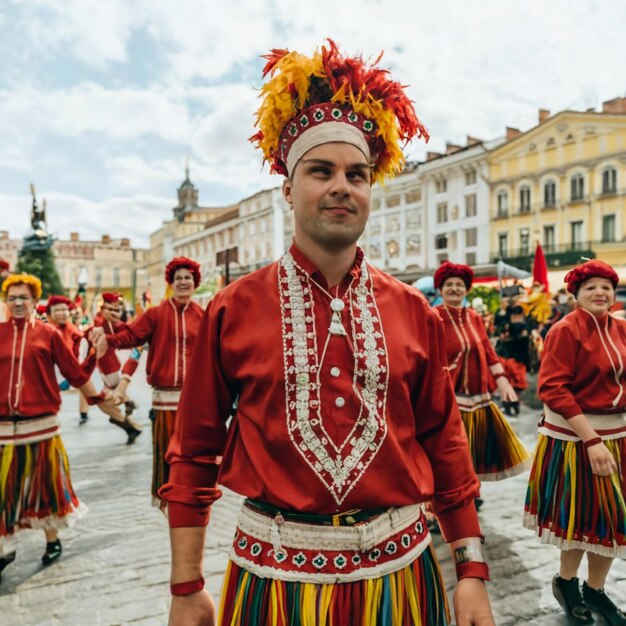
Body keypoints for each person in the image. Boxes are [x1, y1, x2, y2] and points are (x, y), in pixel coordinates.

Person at [160, 41, 495, 626]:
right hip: (274, 580)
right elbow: (193, 451)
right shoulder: (233, 308)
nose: (342, 185)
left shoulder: (415, 308)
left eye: (357, 174)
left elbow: (444, 439)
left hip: (402, 575)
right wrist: (186, 586)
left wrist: (470, 571)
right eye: (321, 171)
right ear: (288, 189)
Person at [524, 260, 626, 625]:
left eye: (606, 287)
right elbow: (552, 388)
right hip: (577, 438)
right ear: (577, 296)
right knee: (580, 518)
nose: (600, 293)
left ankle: (595, 591)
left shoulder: (622, 328)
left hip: (617, 437)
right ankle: (567, 583)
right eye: (591, 288)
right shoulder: (565, 330)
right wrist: (592, 441)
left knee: (613, 520)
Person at [0, 274, 119, 583]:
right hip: (2, 430)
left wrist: (99, 397)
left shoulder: (49, 334)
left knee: (46, 490)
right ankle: (4, 547)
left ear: (34, 301)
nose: (17, 303)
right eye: (11, 298)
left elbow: (74, 373)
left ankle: (51, 541)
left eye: (23, 297)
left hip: (42, 428)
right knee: (3, 491)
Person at [92, 258, 203, 504]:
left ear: (195, 282)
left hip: (193, 400)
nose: (183, 282)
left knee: (191, 455)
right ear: (171, 283)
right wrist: (107, 337)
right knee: (165, 454)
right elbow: (131, 336)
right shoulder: (156, 314)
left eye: (188, 278)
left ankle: (190, 499)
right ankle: (167, 499)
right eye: (178, 278)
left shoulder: (203, 316)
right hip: (164, 400)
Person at [434, 262, 531, 481]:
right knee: (451, 452)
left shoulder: (475, 318)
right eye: (449, 284)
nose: (454, 289)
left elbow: (488, 351)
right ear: (440, 289)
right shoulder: (432, 317)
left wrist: (503, 382)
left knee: (474, 451)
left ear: (466, 289)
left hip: (478, 397)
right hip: (447, 398)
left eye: (459, 284)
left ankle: (472, 491)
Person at [92, 292, 143, 441]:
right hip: (101, 367)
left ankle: (130, 423)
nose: (113, 313)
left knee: (104, 400)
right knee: (103, 400)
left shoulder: (119, 325)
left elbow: (137, 343)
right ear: (102, 309)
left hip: (110, 367)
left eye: (117, 310)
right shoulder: (101, 323)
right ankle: (129, 421)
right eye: (109, 309)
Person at [47, 294, 94, 422]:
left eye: (64, 310)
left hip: (71, 371)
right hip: (58, 374)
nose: (62, 313)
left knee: (91, 392)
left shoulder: (73, 329)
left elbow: (81, 348)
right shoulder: (49, 330)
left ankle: (84, 413)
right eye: (57, 310)